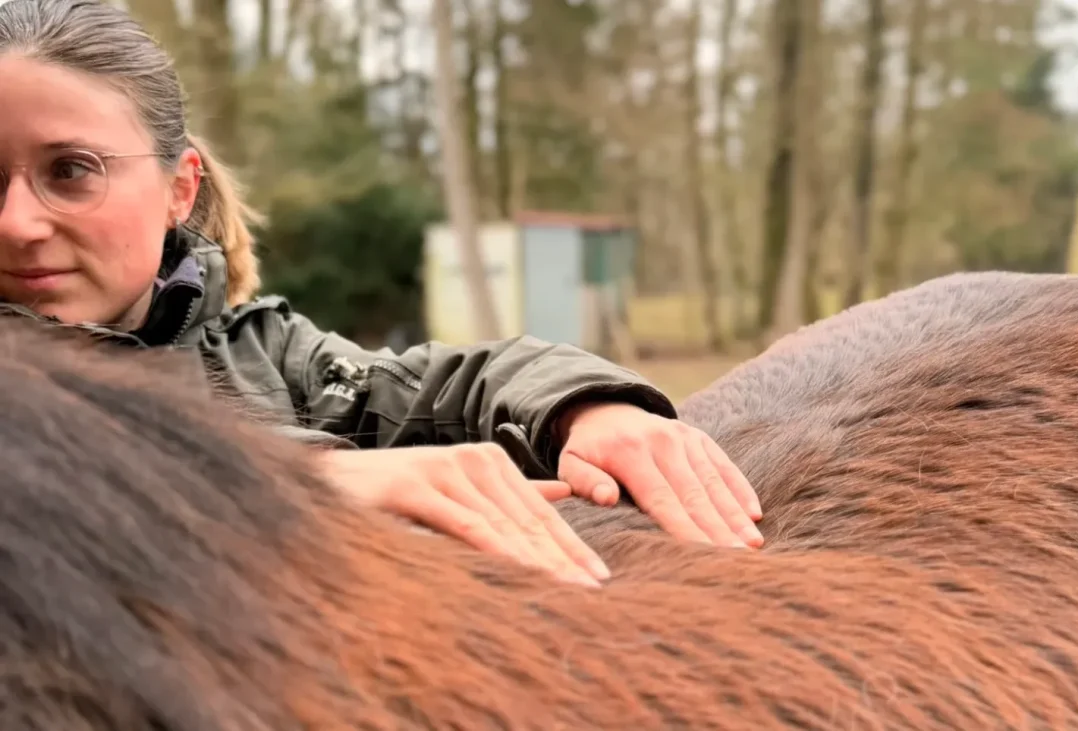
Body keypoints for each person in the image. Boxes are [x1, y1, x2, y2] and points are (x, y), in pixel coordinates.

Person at [0, 0, 763, 588]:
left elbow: (434, 386)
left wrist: (584, 408)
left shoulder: (262, 354)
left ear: (179, 188)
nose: (17, 222)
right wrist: (310, 479)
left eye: (70, 170)